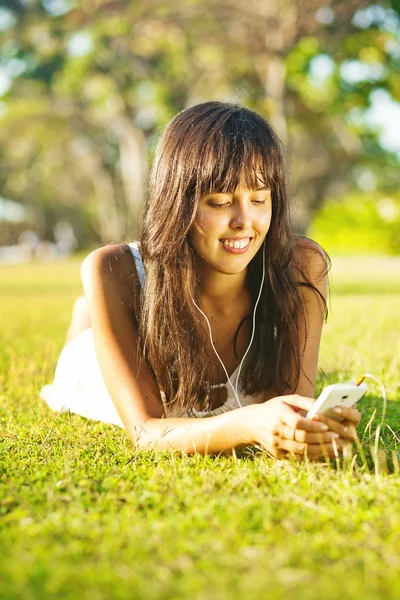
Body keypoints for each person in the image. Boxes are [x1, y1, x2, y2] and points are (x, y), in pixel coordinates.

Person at [40, 101, 361, 459]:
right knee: (79, 349)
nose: (244, 221)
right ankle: (86, 318)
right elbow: (147, 432)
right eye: (221, 202)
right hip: (94, 370)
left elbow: (291, 405)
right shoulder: (112, 270)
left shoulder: (300, 266)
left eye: (259, 198)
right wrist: (248, 424)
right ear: (176, 203)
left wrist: (309, 430)